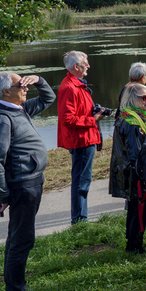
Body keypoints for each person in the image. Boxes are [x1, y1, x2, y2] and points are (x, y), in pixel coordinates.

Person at [0, 71, 56, 291]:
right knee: (22, 238)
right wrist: (4, 193)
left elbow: (48, 99)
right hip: (22, 185)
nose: (25, 88)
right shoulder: (3, 119)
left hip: (31, 181)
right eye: (20, 85)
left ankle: (14, 287)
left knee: (18, 236)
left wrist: (39, 81)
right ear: (6, 91)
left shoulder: (19, 109)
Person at [57, 50, 111, 224]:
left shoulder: (77, 84)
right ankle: (79, 220)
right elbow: (67, 119)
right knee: (81, 181)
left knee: (83, 179)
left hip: (85, 137)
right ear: (76, 66)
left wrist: (93, 112)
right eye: (85, 63)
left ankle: (80, 217)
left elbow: (78, 112)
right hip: (80, 140)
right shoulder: (69, 87)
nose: (88, 66)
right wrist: (92, 119)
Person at [109, 83, 146, 254]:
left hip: (131, 172)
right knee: (141, 210)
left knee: (135, 209)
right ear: (132, 99)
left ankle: (132, 242)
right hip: (136, 174)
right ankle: (135, 246)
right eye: (144, 97)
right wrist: (145, 176)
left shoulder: (133, 116)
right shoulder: (131, 121)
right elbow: (135, 152)